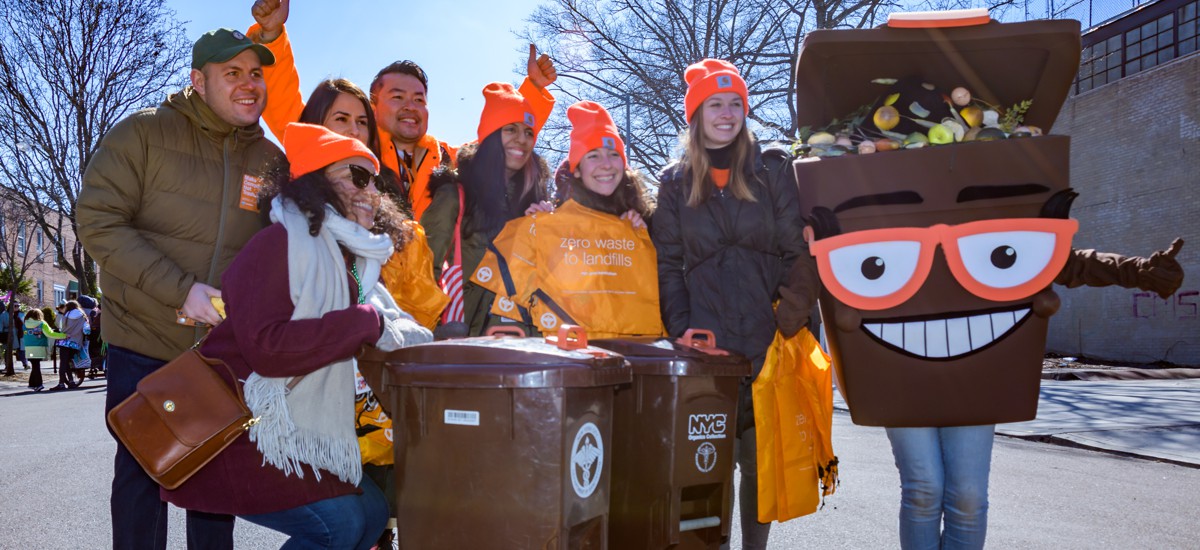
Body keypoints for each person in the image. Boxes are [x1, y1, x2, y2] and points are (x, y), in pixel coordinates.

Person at [161, 122, 432, 549]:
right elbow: (268, 349)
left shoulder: (355, 263)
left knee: (375, 512)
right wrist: (364, 324)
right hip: (245, 427)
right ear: (316, 184)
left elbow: (394, 324)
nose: (372, 191)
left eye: (375, 181)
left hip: (294, 425)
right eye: (357, 176)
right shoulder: (276, 244)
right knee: (339, 524)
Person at [76, 27, 282, 550]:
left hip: (219, 355)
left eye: (255, 74)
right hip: (144, 342)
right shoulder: (142, 134)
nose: (248, 84)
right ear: (198, 80)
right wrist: (180, 290)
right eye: (231, 73)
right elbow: (98, 222)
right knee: (143, 478)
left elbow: (281, 251)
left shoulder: (271, 159)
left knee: (214, 492)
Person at [650, 59, 817, 550]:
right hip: (707, 349)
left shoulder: (771, 168)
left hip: (767, 341)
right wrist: (682, 329)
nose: (726, 114)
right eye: (715, 104)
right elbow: (668, 265)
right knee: (707, 464)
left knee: (760, 464)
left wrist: (790, 313)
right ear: (696, 114)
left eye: (735, 104)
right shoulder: (676, 181)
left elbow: (797, 249)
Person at [246, 1, 449, 332]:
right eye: (398, 96)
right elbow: (286, 106)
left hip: (395, 337)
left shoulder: (443, 155)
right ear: (376, 103)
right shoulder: (300, 202)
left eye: (420, 99)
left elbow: (499, 146)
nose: (353, 130)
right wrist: (271, 37)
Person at [472, 100, 660, 337]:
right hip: (564, 358)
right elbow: (511, 309)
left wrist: (644, 237)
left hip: (633, 360)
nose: (606, 164)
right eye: (593, 156)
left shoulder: (646, 221)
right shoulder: (549, 223)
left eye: (614, 154)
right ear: (577, 169)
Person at [424, 74, 556, 335]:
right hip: (466, 342)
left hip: (525, 339)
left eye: (529, 132)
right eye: (511, 130)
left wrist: (549, 231)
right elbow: (425, 271)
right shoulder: (455, 195)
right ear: (491, 136)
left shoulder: (535, 200)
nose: (522, 139)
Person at [23, 308, 65, 392]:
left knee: (34, 365)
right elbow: (50, 334)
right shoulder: (42, 324)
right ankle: (38, 384)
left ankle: (32, 384)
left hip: (28, 348)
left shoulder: (25, 324)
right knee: (36, 366)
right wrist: (64, 335)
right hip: (39, 347)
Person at [49, 300, 88, 390]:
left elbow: (61, 327)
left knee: (63, 362)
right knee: (68, 362)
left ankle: (62, 383)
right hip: (76, 342)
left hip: (65, 341)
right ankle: (71, 382)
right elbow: (86, 329)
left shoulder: (66, 315)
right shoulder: (83, 316)